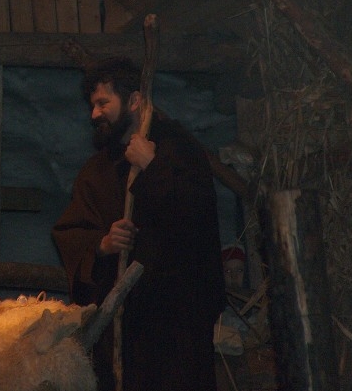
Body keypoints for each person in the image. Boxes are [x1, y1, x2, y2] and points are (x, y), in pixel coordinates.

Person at [52, 57, 226, 391]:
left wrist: (153, 166)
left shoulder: (179, 151)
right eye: (92, 105)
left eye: (103, 103)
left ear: (134, 100)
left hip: (177, 325)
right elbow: (72, 231)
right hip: (123, 326)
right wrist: (103, 244)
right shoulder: (96, 171)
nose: (94, 114)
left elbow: (197, 217)